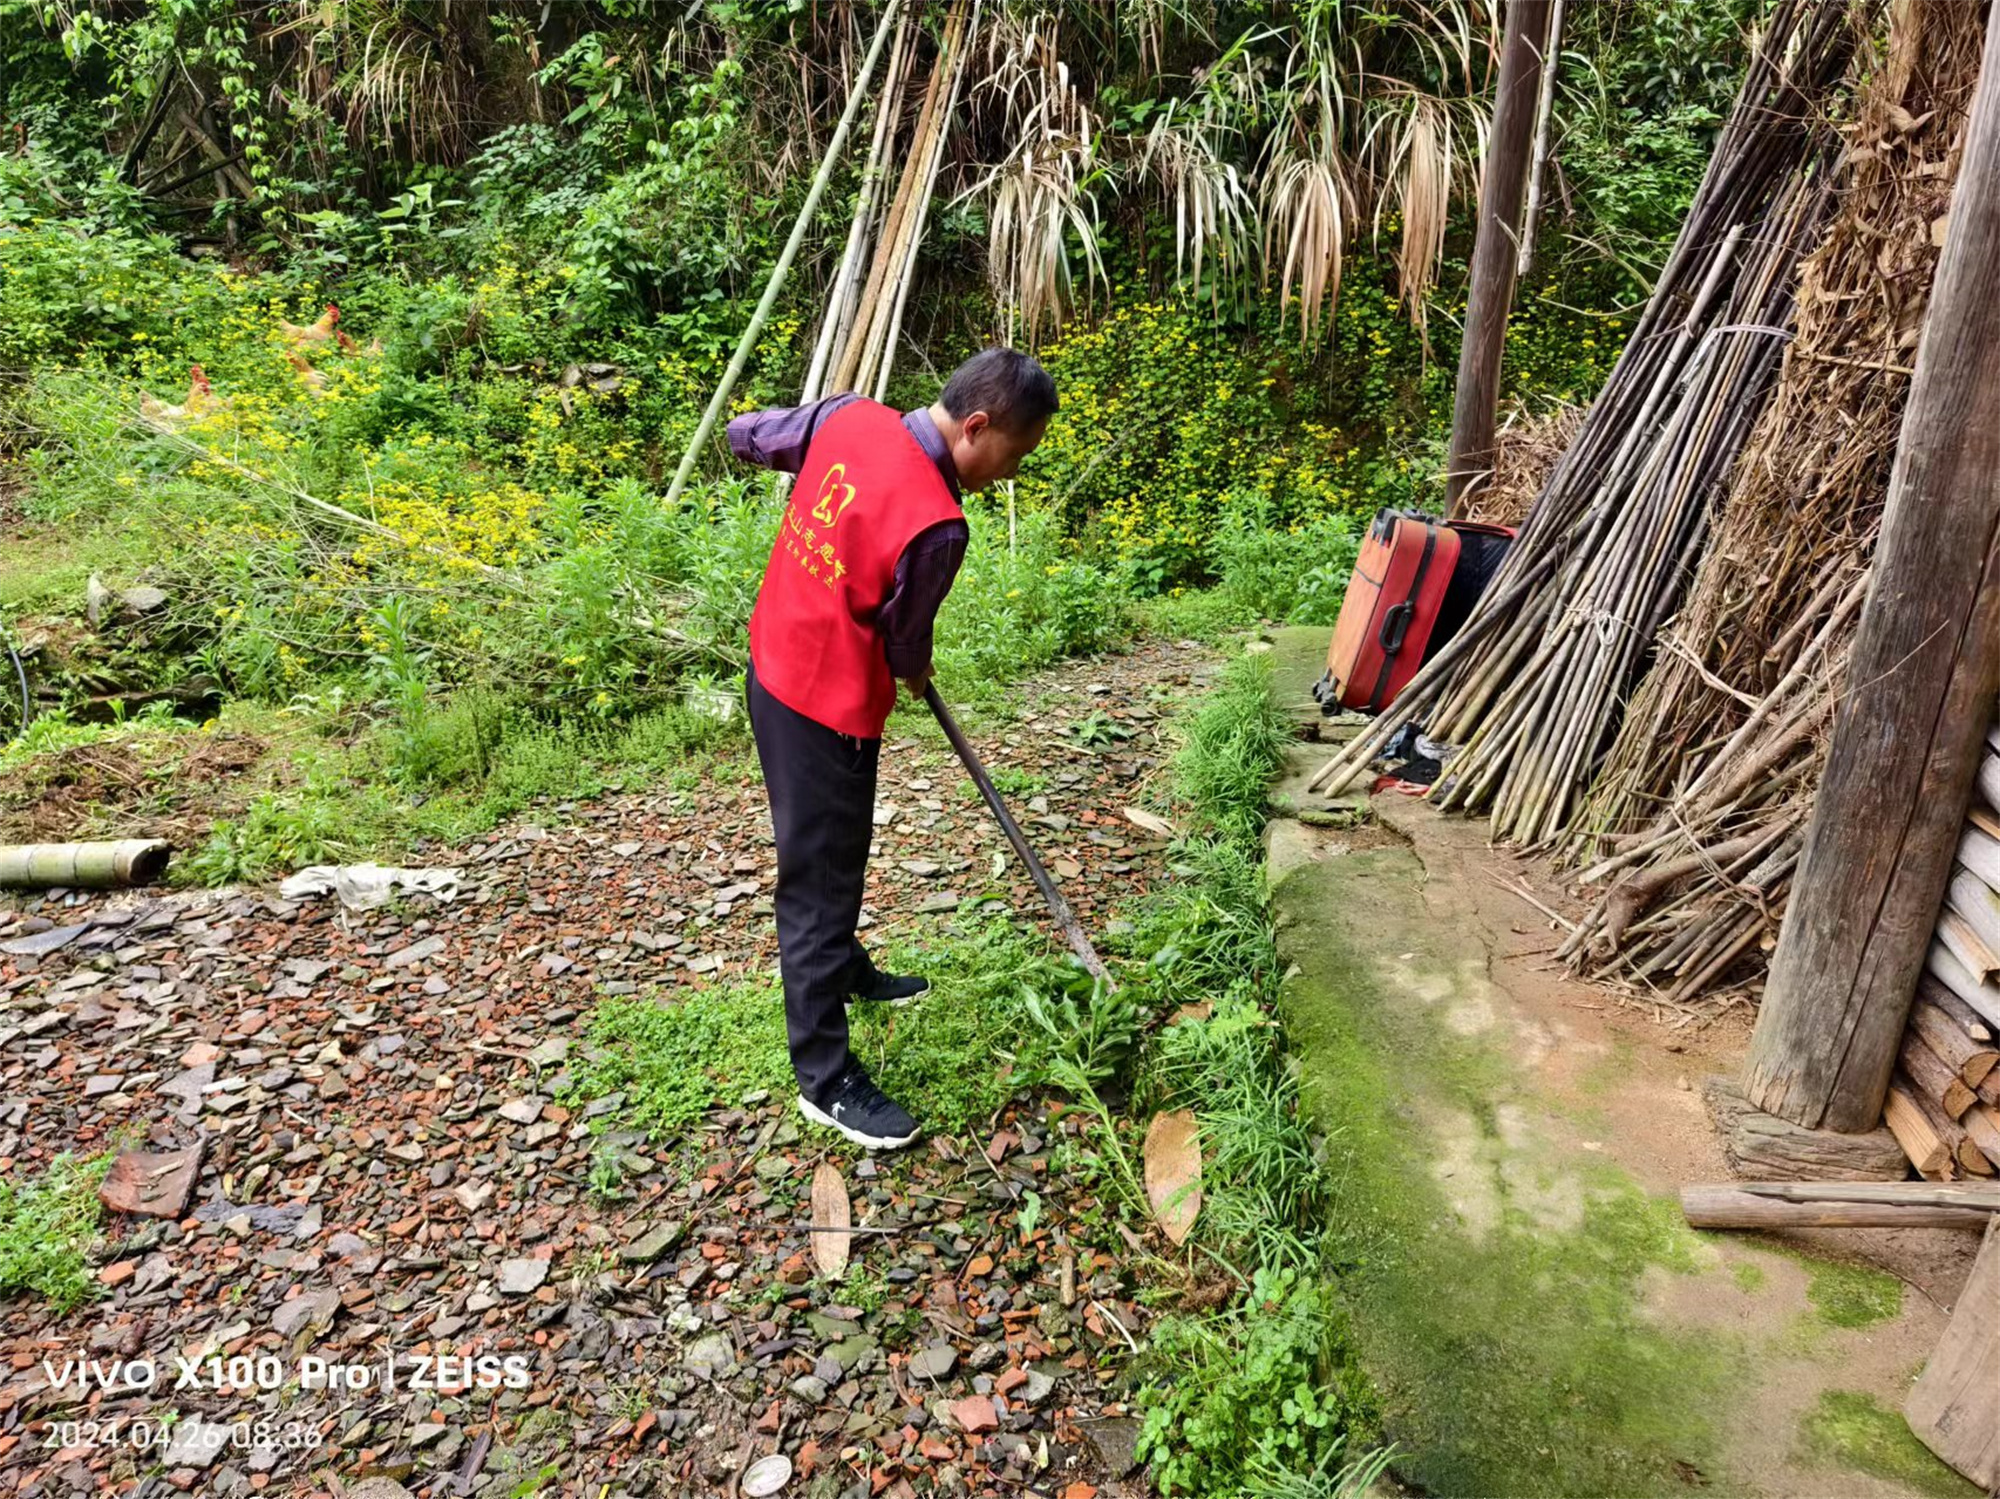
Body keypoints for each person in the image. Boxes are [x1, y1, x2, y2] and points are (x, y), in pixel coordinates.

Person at [727, 349, 1058, 1150]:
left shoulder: (849, 415)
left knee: (833, 856)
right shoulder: (939, 524)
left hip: (769, 668)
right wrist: (915, 663)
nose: (1007, 474)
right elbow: (906, 648)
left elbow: (753, 434)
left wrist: (752, 451)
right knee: (819, 881)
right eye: (1012, 456)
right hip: (825, 708)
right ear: (976, 427)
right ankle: (825, 1076)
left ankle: (843, 966)